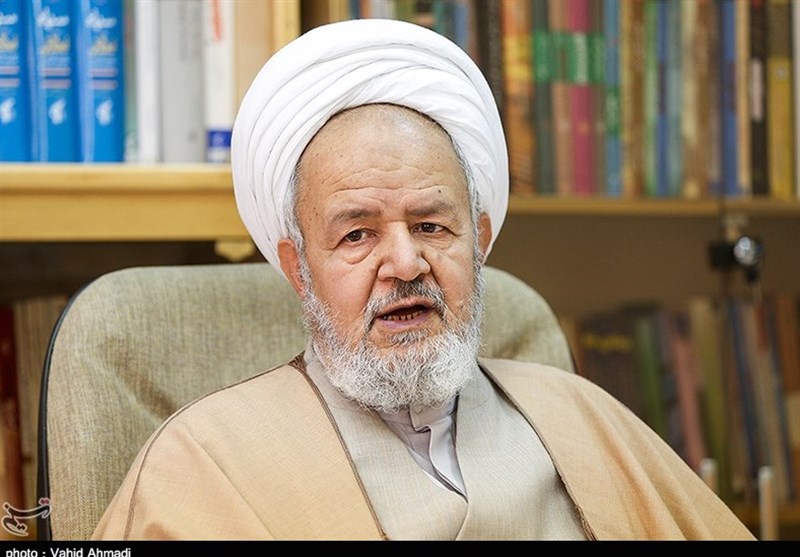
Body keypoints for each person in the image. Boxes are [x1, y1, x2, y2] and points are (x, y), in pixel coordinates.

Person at [92, 19, 755, 541]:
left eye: (432, 226)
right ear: (298, 268)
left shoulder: (585, 419)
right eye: (357, 234)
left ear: (481, 241)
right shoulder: (202, 462)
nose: (406, 264)